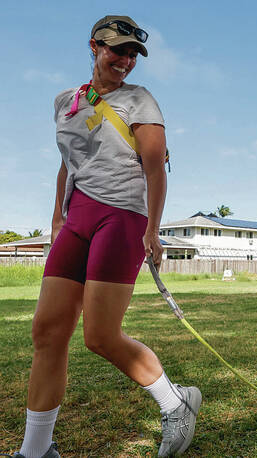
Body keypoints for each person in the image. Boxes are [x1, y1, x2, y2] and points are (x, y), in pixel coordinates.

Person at [7, 16, 200, 458]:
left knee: (99, 335)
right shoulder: (66, 101)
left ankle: (176, 402)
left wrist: (152, 229)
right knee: (47, 331)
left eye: (132, 54)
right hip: (77, 218)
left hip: (122, 216)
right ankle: (35, 451)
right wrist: (57, 217)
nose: (125, 60)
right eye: (117, 50)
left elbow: (155, 170)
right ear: (94, 46)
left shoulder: (140, 100)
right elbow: (69, 161)